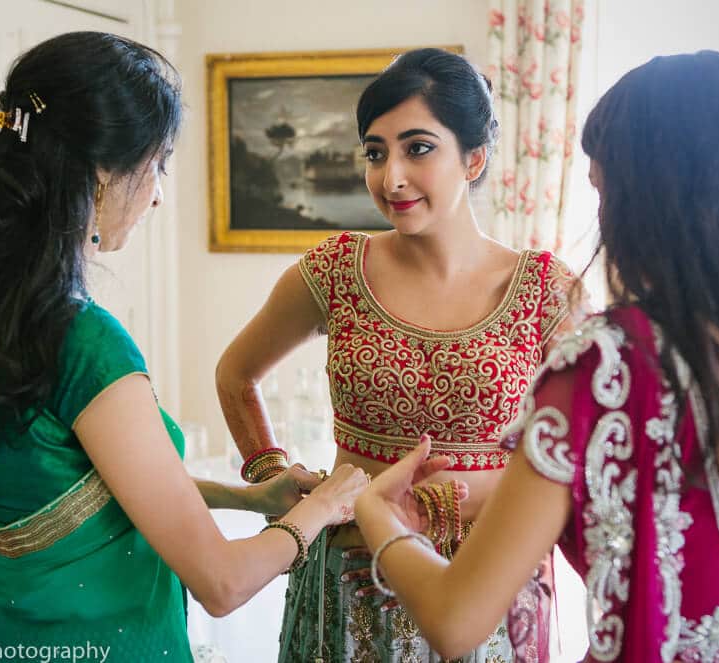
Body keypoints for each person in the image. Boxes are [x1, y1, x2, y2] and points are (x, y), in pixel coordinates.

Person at [354, 50, 719, 663]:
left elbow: (453, 620)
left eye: (601, 189)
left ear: (639, 201)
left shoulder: (605, 370)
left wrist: (373, 514)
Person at [0, 31, 368, 663]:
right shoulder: (85, 343)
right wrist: (323, 507)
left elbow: (76, 483)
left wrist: (251, 498)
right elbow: (223, 582)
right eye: (157, 164)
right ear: (102, 174)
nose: (157, 193)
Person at [215, 48, 578, 662]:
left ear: (474, 158)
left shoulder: (547, 289)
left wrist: (442, 502)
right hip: (348, 585)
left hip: (488, 586)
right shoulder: (336, 270)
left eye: (418, 148)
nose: (392, 178)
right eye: (376, 153)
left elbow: (578, 456)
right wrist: (271, 475)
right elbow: (235, 375)